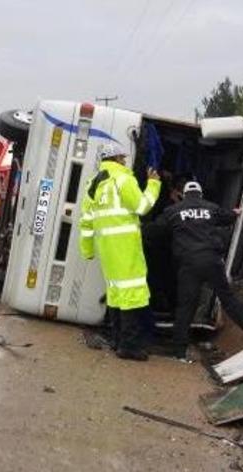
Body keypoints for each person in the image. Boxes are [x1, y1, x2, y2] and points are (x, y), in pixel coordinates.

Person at [148, 181, 243, 359]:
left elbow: (155, 231)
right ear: (200, 194)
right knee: (227, 297)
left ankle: (179, 350)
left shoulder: (173, 211)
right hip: (211, 261)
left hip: (188, 264)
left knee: (186, 306)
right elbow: (227, 217)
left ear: (184, 194)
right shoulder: (210, 207)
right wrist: (235, 213)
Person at [79, 143, 161, 360]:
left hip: (107, 249)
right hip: (125, 247)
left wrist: (87, 250)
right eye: (122, 158)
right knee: (132, 295)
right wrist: (154, 184)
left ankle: (117, 341)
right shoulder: (123, 179)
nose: (125, 161)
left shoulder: (93, 184)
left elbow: (86, 222)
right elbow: (142, 206)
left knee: (116, 294)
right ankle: (129, 347)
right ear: (116, 159)